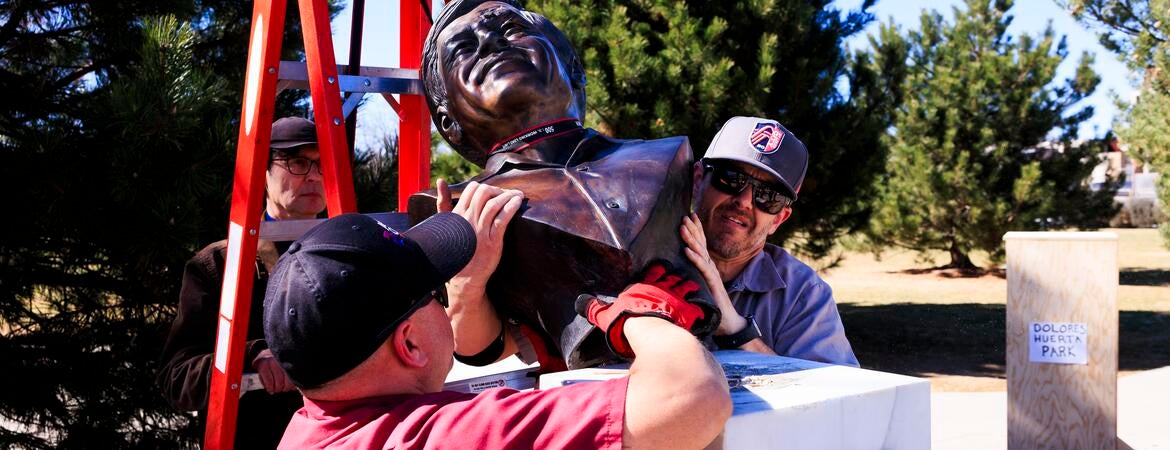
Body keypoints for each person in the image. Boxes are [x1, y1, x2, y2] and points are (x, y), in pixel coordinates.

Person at [409, 0, 718, 369]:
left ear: (572, 65)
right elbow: (479, 350)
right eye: (464, 50)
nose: (490, 42)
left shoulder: (667, 159)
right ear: (448, 122)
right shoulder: (462, 208)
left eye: (509, 30)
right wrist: (465, 283)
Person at [262, 211, 732, 449]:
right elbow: (691, 398)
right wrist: (644, 315)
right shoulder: (445, 437)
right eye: (435, 293)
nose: (445, 297)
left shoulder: (306, 430)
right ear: (408, 344)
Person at [157, 117, 325, 448]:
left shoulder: (355, 253)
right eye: (298, 162)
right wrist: (250, 356)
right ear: (262, 174)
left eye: (322, 164)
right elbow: (176, 378)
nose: (314, 176)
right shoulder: (219, 263)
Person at [679, 116, 858, 366]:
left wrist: (738, 331)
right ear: (698, 179)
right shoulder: (643, 260)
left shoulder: (803, 295)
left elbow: (839, 398)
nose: (744, 200)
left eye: (768, 196)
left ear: (779, 219)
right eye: (731, 178)